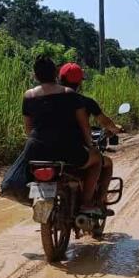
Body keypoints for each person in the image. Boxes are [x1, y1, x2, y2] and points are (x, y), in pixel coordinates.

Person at [22, 56, 103, 213]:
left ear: (35, 75)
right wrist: (90, 145)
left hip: (36, 150)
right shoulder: (69, 93)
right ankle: (86, 203)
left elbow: (28, 129)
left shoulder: (29, 95)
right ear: (55, 74)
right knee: (97, 160)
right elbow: (84, 125)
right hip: (67, 150)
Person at [59, 62, 123, 208]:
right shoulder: (84, 101)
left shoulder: (47, 99)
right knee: (103, 162)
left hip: (47, 150)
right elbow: (104, 121)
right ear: (80, 82)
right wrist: (115, 128)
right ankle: (90, 202)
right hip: (74, 150)